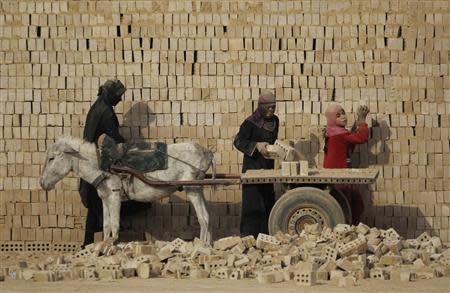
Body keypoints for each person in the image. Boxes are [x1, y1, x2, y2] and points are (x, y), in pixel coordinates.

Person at [79, 79, 127, 246]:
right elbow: (115, 137)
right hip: (94, 163)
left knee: (95, 204)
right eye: (118, 96)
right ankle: (96, 242)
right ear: (110, 95)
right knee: (103, 199)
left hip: (88, 161)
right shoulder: (106, 112)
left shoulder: (97, 106)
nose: (120, 100)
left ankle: (87, 243)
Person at [233, 90, 279, 238]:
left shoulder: (275, 121)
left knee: (267, 202)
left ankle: (266, 236)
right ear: (261, 107)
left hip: (267, 168)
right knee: (252, 203)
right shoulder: (249, 123)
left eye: (273, 107)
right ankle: (248, 237)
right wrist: (256, 146)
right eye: (268, 107)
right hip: (252, 168)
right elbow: (238, 141)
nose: (271, 110)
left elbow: (273, 141)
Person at [323, 103, 370, 224]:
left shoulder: (332, 131)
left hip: (337, 174)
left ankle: (348, 227)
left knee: (352, 203)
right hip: (340, 176)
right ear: (332, 119)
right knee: (353, 205)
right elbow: (361, 138)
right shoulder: (340, 134)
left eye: (343, 113)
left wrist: (356, 124)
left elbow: (349, 140)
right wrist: (362, 121)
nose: (343, 117)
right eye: (338, 115)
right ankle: (348, 229)